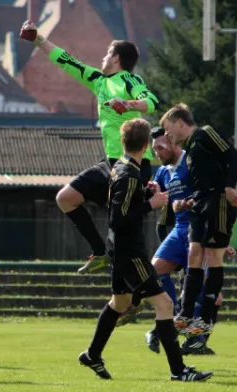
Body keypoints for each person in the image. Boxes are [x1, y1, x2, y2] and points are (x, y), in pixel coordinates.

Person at [77, 118, 213, 382]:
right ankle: (179, 371)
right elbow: (118, 217)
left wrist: (143, 193)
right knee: (164, 304)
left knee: (121, 303)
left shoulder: (121, 168)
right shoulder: (129, 175)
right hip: (130, 252)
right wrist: (150, 203)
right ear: (147, 145)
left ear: (124, 142)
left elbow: (122, 205)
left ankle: (92, 354)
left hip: (119, 249)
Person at [19, 20, 159, 274]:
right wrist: (37, 38)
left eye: (107, 53)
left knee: (126, 234)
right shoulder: (98, 80)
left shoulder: (129, 79)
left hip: (135, 166)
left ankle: (139, 294)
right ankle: (99, 252)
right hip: (111, 163)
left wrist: (128, 104)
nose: (103, 57)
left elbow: (150, 102)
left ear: (116, 58)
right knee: (65, 199)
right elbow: (65, 60)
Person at [116, 127, 222, 355]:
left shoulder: (192, 163)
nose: (157, 153)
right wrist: (152, 191)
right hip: (179, 229)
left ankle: (197, 340)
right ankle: (169, 319)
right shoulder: (163, 172)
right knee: (154, 272)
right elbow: (160, 197)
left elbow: (212, 195)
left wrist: (221, 236)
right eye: (154, 149)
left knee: (208, 291)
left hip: (199, 230)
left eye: (161, 147)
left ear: (174, 143)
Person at [161, 103, 237, 337]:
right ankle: (186, 313)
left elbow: (235, 157)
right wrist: (188, 200)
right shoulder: (188, 153)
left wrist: (228, 186)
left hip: (218, 201)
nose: (167, 136)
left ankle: (205, 319)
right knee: (193, 254)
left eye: (168, 129)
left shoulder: (205, 133)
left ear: (179, 123)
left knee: (212, 256)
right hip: (199, 202)